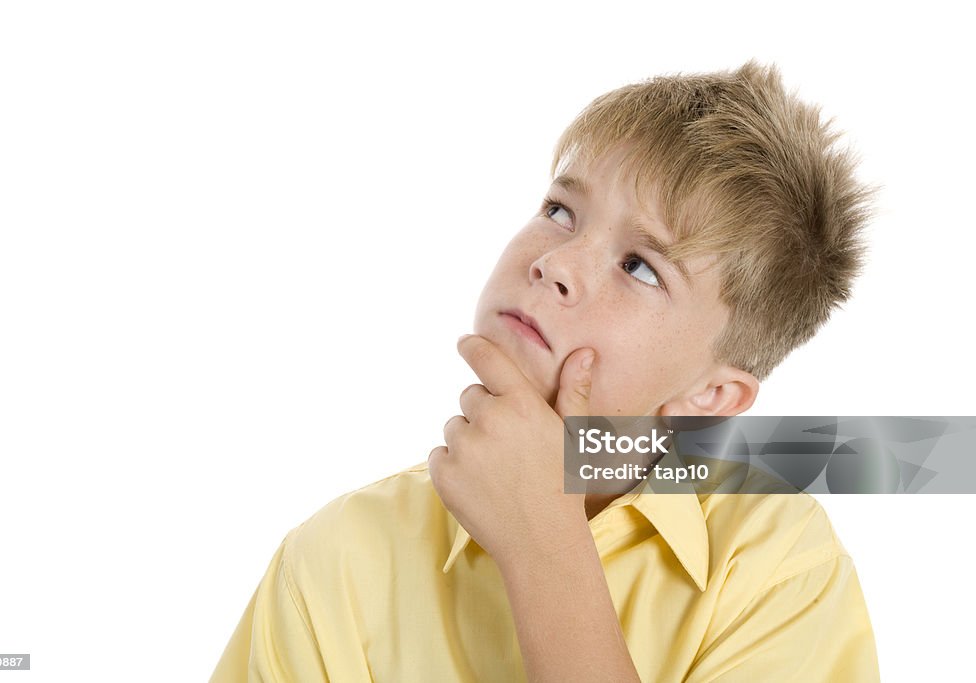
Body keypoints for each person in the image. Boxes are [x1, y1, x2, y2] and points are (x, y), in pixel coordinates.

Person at [210, 61, 880, 682]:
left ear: (710, 393)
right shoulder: (338, 558)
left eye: (639, 266)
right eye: (561, 211)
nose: (555, 264)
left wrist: (544, 546)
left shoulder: (780, 566)